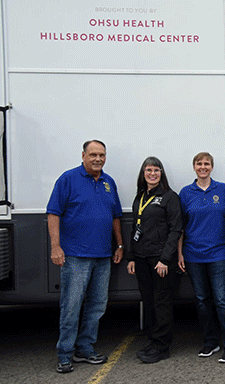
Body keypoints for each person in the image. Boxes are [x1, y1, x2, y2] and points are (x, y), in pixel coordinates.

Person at [47, 140, 124, 374]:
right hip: (75, 256)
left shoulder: (109, 182)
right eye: (93, 154)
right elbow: (53, 213)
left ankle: (84, 348)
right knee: (71, 306)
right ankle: (64, 354)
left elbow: (115, 216)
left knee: (97, 305)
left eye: (101, 154)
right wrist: (56, 247)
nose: (98, 159)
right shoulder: (68, 179)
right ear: (83, 155)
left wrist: (119, 244)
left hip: (103, 255)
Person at [178, 152, 225, 363]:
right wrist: (179, 253)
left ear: (212, 167)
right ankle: (210, 342)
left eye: (206, 163)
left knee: (222, 300)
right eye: (199, 163)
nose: (203, 167)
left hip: (219, 253)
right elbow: (181, 227)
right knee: (202, 300)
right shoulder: (186, 193)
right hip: (193, 254)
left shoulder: (223, 190)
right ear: (194, 167)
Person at [126, 157, 182, 364]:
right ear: (143, 173)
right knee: (148, 300)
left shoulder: (169, 197)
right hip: (141, 258)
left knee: (162, 302)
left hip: (160, 260)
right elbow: (135, 228)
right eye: (148, 170)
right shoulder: (140, 197)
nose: (152, 173)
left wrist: (166, 259)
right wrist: (132, 257)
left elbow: (176, 229)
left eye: (156, 170)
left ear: (161, 173)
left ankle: (162, 346)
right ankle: (153, 341)